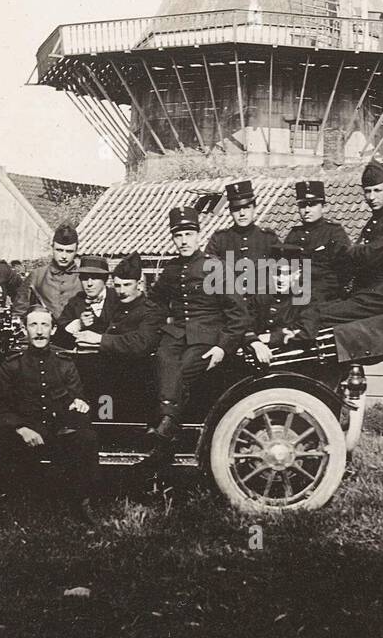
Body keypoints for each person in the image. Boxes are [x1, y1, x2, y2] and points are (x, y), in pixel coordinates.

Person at [0, 305, 99, 513]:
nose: (39, 331)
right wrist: (21, 428)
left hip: (57, 433)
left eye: (44, 325)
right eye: (33, 325)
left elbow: (79, 399)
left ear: (53, 330)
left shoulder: (65, 364)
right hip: (23, 434)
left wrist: (80, 405)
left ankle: (82, 503)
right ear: (25, 330)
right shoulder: (12, 364)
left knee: (87, 437)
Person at [148, 205, 249, 444]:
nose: (184, 241)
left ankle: (167, 423)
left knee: (183, 369)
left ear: (198, 235)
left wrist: (223, 347)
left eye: (188, 234)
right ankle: (166, 421)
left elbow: (239, 314)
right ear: (173, 238)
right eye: (178, 235)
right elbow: (155, 301)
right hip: (176, 334)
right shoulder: (171, 269)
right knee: (162, 360)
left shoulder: (213, 266)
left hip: (207, 336)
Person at [299, 159, 383, 333]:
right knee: (313, 308)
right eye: (367, 191)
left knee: (318, 315)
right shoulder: (377, 219)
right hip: (369, 293)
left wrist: (336, 248)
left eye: (377, 190)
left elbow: (368, 255)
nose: (371, 197)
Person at [206, 178, 281, 334]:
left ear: (254, 207)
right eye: (236, 209)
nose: (242, 213)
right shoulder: (219, 240)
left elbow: (282, 277)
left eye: (246, 207)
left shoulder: (268, 239)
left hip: (263, 312)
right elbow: (210, 276)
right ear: (230, 211)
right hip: (231, 312)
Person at [69, 252, 162, 358]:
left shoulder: (151, 311)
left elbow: (141, 343)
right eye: (117, 285)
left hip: (136, 368)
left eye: (127, 285)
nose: (121, 291)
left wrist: (99, 339)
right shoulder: (116, 306)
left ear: (139, 284)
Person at [282, 179, 350, 309]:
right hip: (295, 294)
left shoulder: (334, 232)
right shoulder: (294, 234)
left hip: (323, 297)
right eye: (302, 205)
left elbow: (344, 271)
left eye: (312, 204)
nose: (306, 210)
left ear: (323, 207)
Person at [22, 222, 83, 323]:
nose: (64, 256)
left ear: (76, 251)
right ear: (52, 248)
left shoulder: (83, 278)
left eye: (69, 251)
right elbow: (20, 311)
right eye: (59, 250)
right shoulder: (37, 275)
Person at [57, 256, 117, 344]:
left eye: (94, 278)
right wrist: (79, 324)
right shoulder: (75, 302)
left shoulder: (119, 299)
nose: (89, 284)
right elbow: (59, 338)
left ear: (105, 279)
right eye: (85, 278)